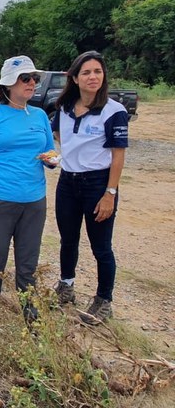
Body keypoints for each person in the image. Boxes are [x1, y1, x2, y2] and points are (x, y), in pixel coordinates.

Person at [0, 56, 55, 322]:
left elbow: (49, 152)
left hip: (34, 201)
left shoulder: (39, 115)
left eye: (34, 78)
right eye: (25, 78)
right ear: (7, 84)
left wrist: (51, 160)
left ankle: (29, 310)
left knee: (28, 262)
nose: (31, 83)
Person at [52, 50, 128, 325]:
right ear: (74, 77)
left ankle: (104, 300)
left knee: (101, 247)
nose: (93, 77)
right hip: (68, 182)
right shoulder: (64, 107)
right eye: (86, 72)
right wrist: (63, 157)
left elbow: (118, 156)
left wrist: (110, 193)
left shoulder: (114, 111)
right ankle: (66, 285)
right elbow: (59, 135)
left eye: (97, 71)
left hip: (98, 184)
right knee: (68, 240)